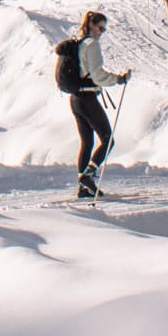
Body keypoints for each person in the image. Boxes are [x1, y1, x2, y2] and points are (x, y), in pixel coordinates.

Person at [55, 10, 129, 199]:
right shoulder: (91, 44)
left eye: (103, 30)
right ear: (91, 26)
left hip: (75, 99)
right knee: (107, 140)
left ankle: (83, 186)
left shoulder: (77, 44)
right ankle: (88, 176)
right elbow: (97, 75)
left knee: (87, 142)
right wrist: (118, 79)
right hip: (88, 98)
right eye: (100, 28)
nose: (101, 33)